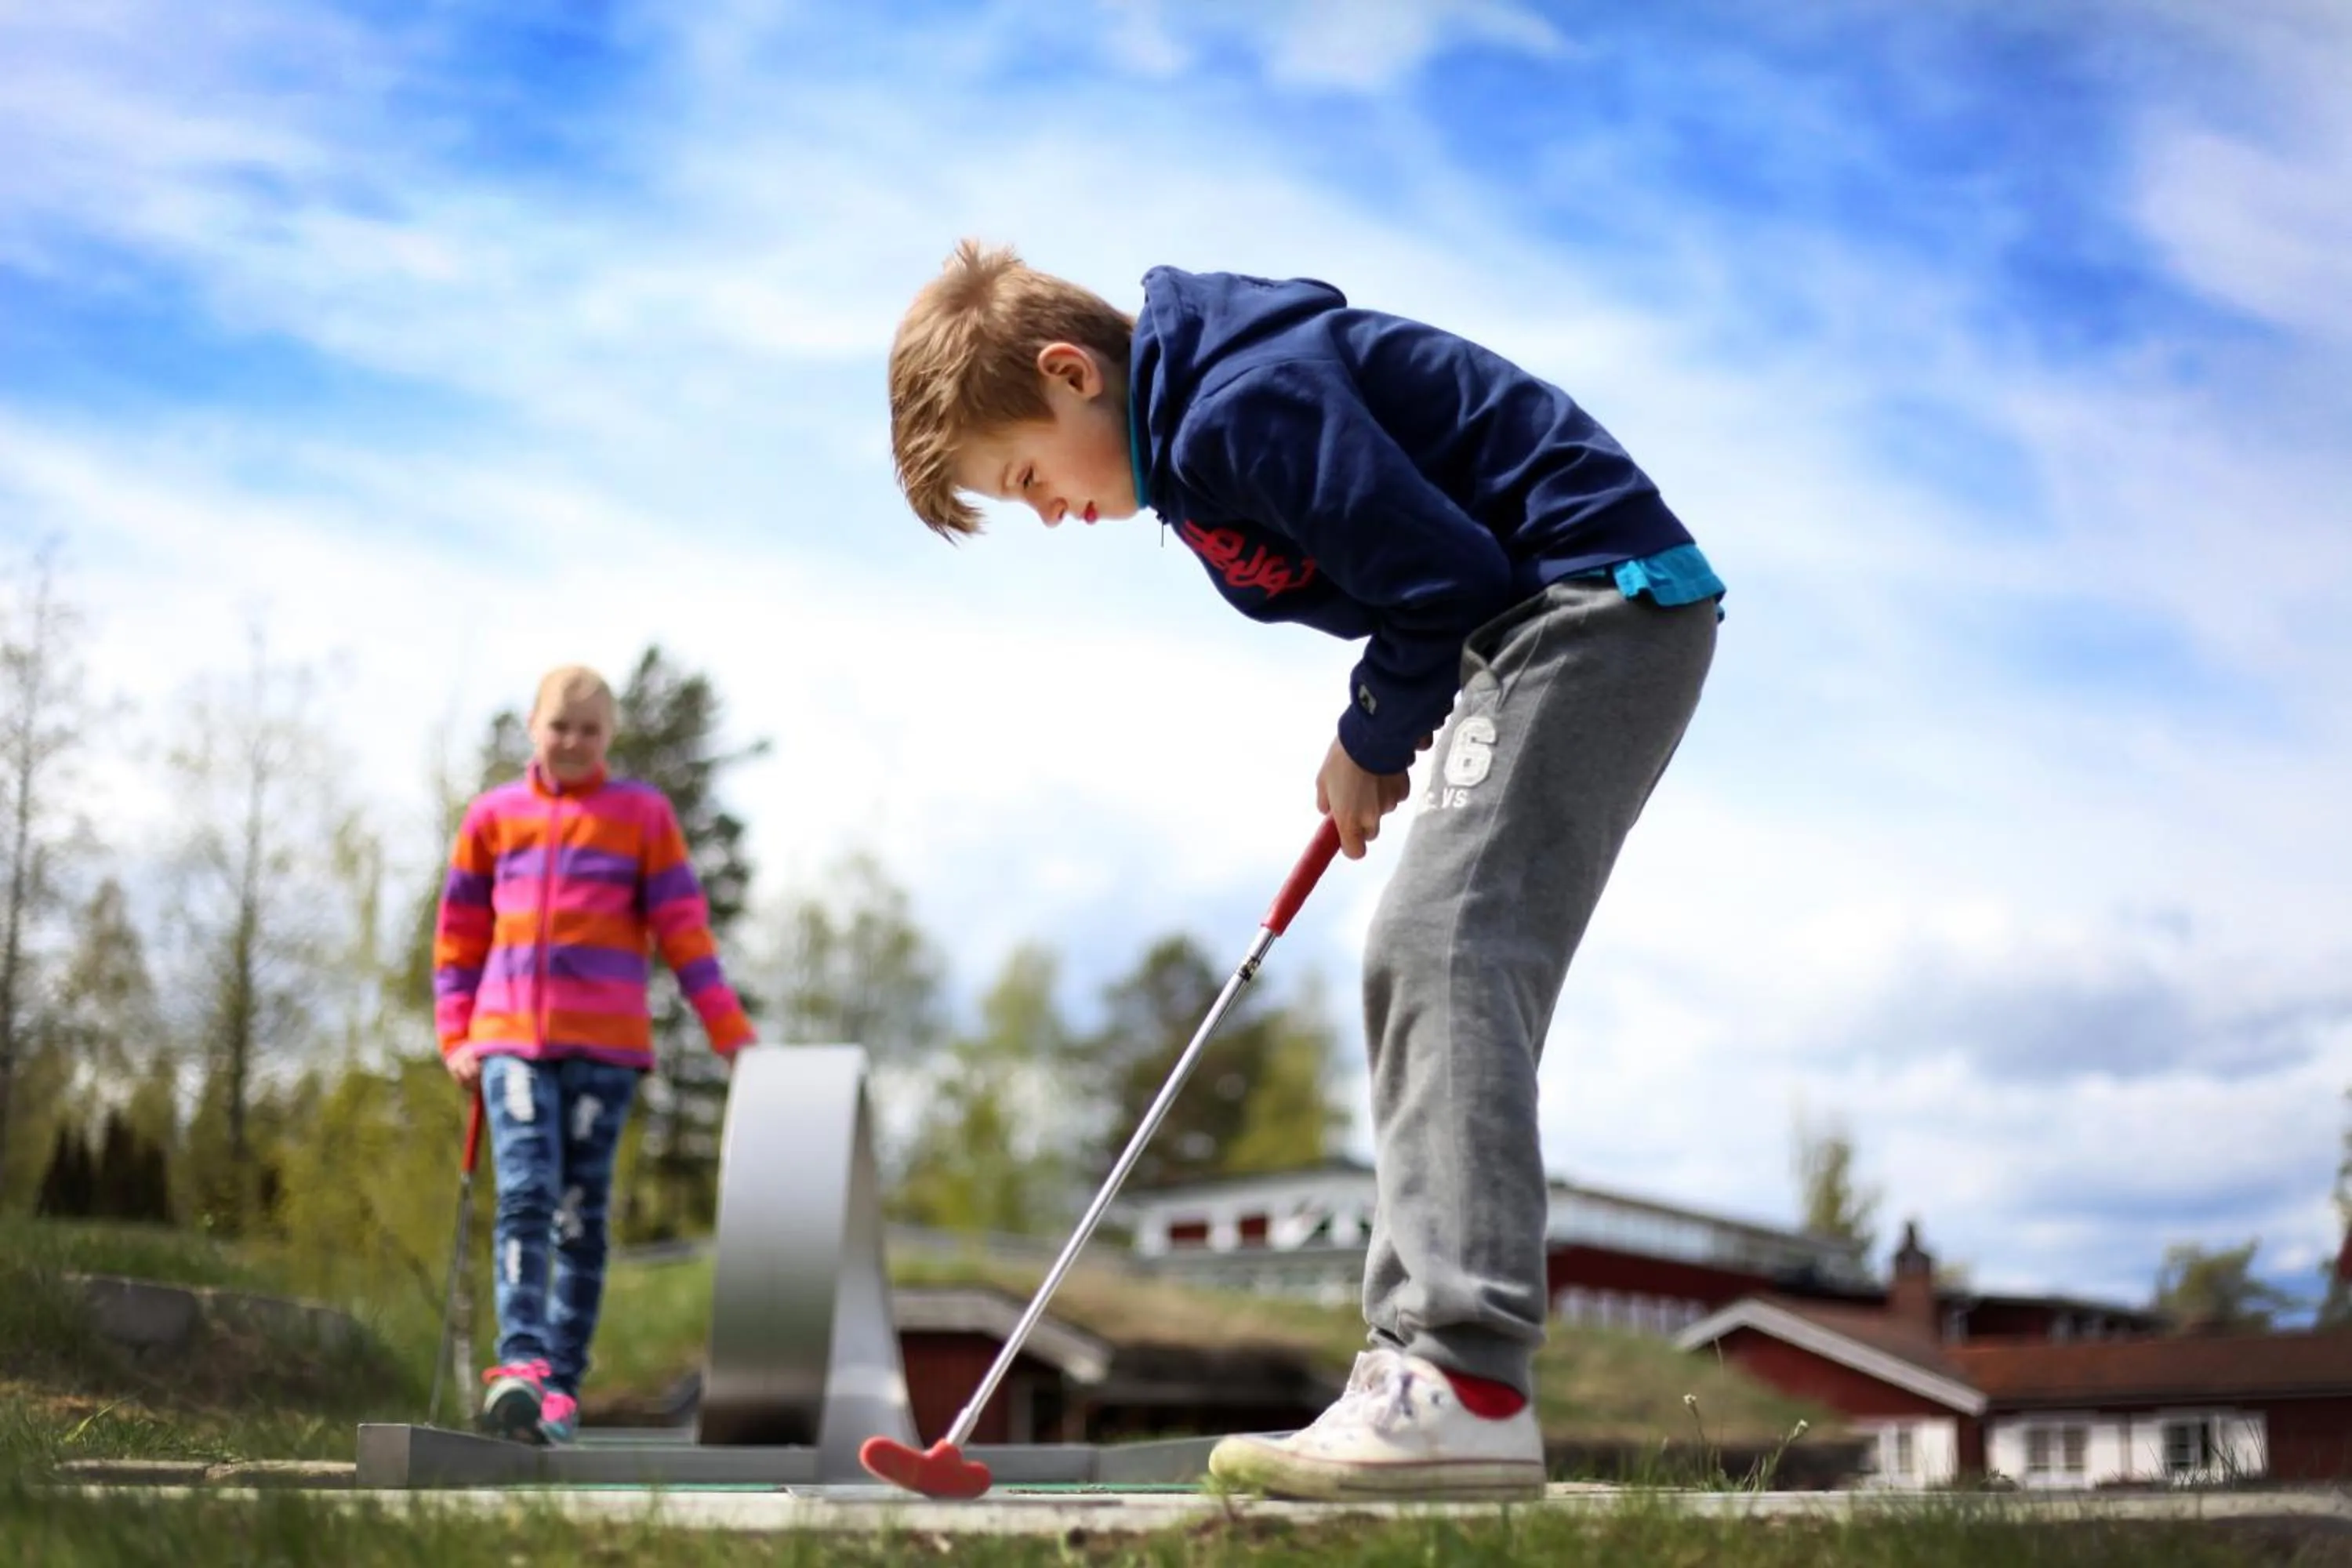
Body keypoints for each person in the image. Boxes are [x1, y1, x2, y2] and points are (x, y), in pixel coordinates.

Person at [887, 243, 1722, 1500]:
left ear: (1070, 374)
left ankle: (1461, 1380)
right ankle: (1416, 1369)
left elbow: (1443, 579)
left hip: (1591, 606)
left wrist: (1369, 734)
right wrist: (1388, 722)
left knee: (1444, 947)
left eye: (1026, 477)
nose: (1047, 512)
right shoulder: (1196, 444)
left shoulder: (1238, 407)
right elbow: (1418, 583)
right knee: (1426, 946)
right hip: (1545, 627)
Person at [434, 664, 754, 1445]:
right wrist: (456, 1033)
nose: (573, 742)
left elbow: (685, 933)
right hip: (510, 1040)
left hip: (606, 1051)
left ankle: (560, 1392)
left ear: (610, 736)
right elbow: (459, 936)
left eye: (590, 730)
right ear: (533, 726)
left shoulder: (640, 815)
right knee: (526, 1193)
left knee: (581, 1215)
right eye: (559, 726)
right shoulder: (493, 817)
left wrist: (729, 1033)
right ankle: (521, 1364)